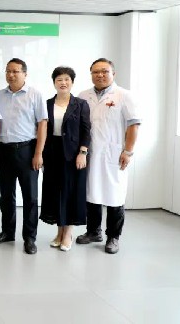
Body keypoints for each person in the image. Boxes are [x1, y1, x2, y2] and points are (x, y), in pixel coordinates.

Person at [76, 58, 140, 254]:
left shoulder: (124, 95)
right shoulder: (83, 95)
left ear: (113, 73)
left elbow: (134, 125)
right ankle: (93, 231)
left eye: (104, 71)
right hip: (89, 153)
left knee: (115, 196)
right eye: (95, 72)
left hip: (114, 153)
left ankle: (113, 236)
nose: (100, 75)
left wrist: (128, 151)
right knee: (91, 193)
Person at [0, 58, 48, 254]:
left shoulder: (35, 95)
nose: (11, 74)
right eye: (8, 71)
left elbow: (42, 125)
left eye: (15, 71)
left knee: (30, 197)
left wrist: (38, 153)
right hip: (5, 150)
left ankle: (30, 238)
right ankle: (7, 232)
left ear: (25, 74)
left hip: (28, 150)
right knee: (6, 196)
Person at [40, 66, 90, 252]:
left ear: (72, 82)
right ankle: (59, 232)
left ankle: (68, 234)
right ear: (54, 83)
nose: (63, 82)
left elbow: (86, 130)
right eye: (59, 79)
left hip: (73, 154)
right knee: (55, 192)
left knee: (70, 192)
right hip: (52, 152)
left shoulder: (81, 104)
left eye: (67, 79)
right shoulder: (46, 104)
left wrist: (83, 152)